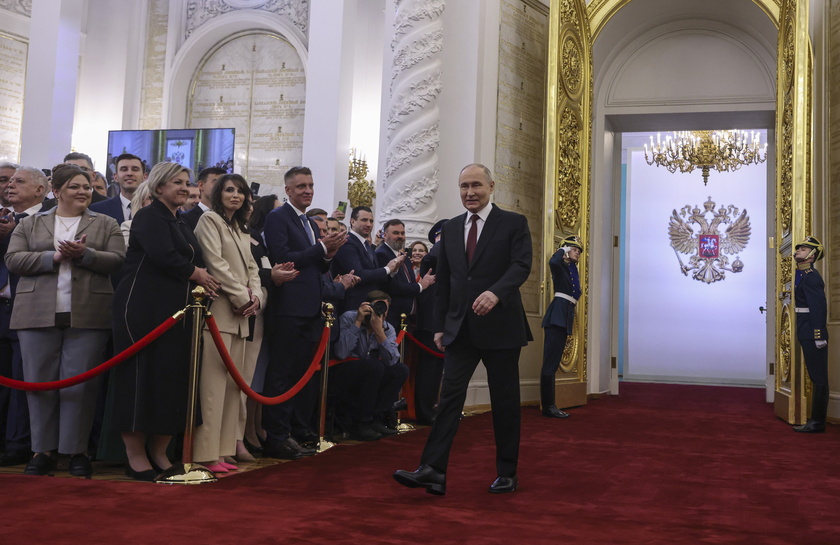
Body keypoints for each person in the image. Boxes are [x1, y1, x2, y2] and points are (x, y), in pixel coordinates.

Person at [393, 163, 532, 496]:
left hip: (501, 327)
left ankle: (507, 472)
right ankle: (433, 470)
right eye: (464, 186)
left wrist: (496, 292)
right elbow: (446, 282)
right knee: (450, 399)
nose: (469, 192)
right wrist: (439, 325)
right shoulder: (453, 228)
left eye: (476, 185)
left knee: (504, 402)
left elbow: (521, 265)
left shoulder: (513, 223)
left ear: (491, 186)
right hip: (460, 330)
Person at [5, 164, 125, 476]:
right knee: (39, 384)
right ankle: (41, 451)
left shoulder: (106, 222)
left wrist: (86, 255)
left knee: (80, 386)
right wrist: (53, 258)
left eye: (86, 186)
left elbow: (118, 260)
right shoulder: (31, 224)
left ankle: (77, 452)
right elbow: (13, 259)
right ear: (56, 191)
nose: (83, 192)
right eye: (74, 187)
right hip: (35, 313)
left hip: (88, 313)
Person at [109, 162, 220, 481]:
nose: (185, 188)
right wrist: (197, 274)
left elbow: (194, 257)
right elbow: (165, 256)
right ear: (159, 188)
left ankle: (159, 453)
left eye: (187, 183)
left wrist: (203, 275)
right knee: (140, 381)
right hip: (142, 311)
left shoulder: (182, 222)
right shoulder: (148, 216)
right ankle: (135, 456)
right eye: (177, 183)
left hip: (177, 312)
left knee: (170, 383)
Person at [261, 166, 345, 459]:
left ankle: (296, 431)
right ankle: (276, 436)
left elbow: (314, 264)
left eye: (310, 185)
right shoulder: (277, 218)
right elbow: (283, 258)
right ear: (288, 190)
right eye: (300, 187)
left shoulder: (309, 222)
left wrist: (328, 255)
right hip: (288, 308)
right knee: (282, 374)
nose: (307, 190)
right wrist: (321, 247)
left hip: (311, 307)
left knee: (301, 374)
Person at [193, 174, 261, 472]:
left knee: (234, 388)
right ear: (218, 193)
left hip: (242, 315)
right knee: (212, 387)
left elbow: (252, 268)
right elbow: (215, 264)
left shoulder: (239, 227)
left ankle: (222, 451)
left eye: (240, 191)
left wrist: (257, 297)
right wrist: (241, 297)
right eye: (229, 190)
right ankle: (206, 453)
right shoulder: (209, 221)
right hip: (219, 312)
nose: (235, 195)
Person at [334, 291, 408, 441]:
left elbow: (392, 361)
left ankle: (377, 419)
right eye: (376, 306)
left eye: (384, 307)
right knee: (375, 367)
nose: (380, 311)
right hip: (344, 369)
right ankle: (362, 423)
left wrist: (379, 332)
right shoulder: (350, 317)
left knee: (400, 370)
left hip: (371, 371)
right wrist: (358, 322)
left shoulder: (388, 328)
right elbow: (341, 352)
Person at [540, 235, 583, 419]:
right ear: (566, 250)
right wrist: (563, 249)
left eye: (579, 251)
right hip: (557, 316)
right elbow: (553, 261)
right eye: (575, 250)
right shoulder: (560, 266)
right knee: (549, 364)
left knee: (553, 363)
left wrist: (570, 254)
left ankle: (551, 405)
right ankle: (549, 406)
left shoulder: (571, 268)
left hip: (564, 315)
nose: (578, 254)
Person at [332, 206, 401, 314]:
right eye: (364, 220)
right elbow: (358, 274)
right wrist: (387, 269)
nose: (369, 224)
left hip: (368, 304)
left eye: (371, 221)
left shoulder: (366, 245)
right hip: (352, 306)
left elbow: (374, 274)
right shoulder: (348, 243)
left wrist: (392, 271)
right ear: (353, 221)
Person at [792, 237, 830, 433]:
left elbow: (819, 307)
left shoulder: (812, 276)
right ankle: (816, 421)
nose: (798, 250)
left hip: (812, 330)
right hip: (805, 328)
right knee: (816, 375)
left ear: (812, 255)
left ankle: (817, 422)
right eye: (798, 248)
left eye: (803, 248)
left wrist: (818, 334)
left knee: (819, 377)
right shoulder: (803, 274)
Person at [376, 219, 435, 331]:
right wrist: (420, 286)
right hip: (392, 317)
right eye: (396, 233)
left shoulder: (405, 257)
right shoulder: (382, 254)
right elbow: (391, 286)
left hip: (407, 319)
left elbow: (409, 282)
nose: (400, 236)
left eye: (402, 233)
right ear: (385, 235)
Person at [89, 153, 147, 224]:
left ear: (144, 177)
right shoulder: (98, 210)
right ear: (115, 177)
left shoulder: (155, 209)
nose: (129, 173)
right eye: (124, 169)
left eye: (135, 169)